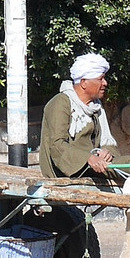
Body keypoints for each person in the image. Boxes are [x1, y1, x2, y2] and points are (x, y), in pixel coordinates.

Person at [43, 53, 116, 184]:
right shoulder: (61, 103)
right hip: (71, 170)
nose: (105, 83)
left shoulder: (96, 107)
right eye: (101, 79)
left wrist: (107, 152)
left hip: (95, 166)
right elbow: (57, 146)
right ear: (84, 83)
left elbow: (107, 142)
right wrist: (88, 158)